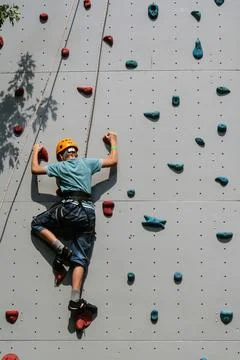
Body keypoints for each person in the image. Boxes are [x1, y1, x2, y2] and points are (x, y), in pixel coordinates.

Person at [31, 131, 118, 313]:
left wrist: (35, 150)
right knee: (80, 260)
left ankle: (61, 249)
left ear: (62, 156)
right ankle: (75, 300)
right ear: (75, 152)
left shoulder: (61, 166)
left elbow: (36, 170)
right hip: (88, 213)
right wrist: (114, 141)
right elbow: (112, 161)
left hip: (69, 208)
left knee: (37, 224)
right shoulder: (87, 163)